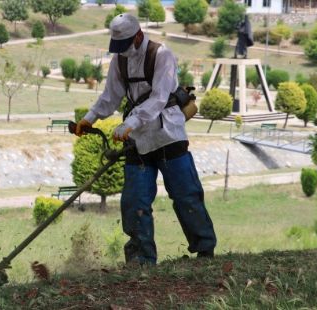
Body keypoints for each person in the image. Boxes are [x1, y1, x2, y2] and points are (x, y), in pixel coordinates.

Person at [74, 13, 217, 265]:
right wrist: (90, 118)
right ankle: (141, 259)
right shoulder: (119, 61)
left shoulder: (162, 55)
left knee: (186, 195)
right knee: (134, 201)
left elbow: (160, 98)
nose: (122, 52)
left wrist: (129, 122)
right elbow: (110, 96)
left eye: (125, 45)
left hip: (168, 135)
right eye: (118, 47)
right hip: (138, 139)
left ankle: (205, 251)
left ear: (138, 35)